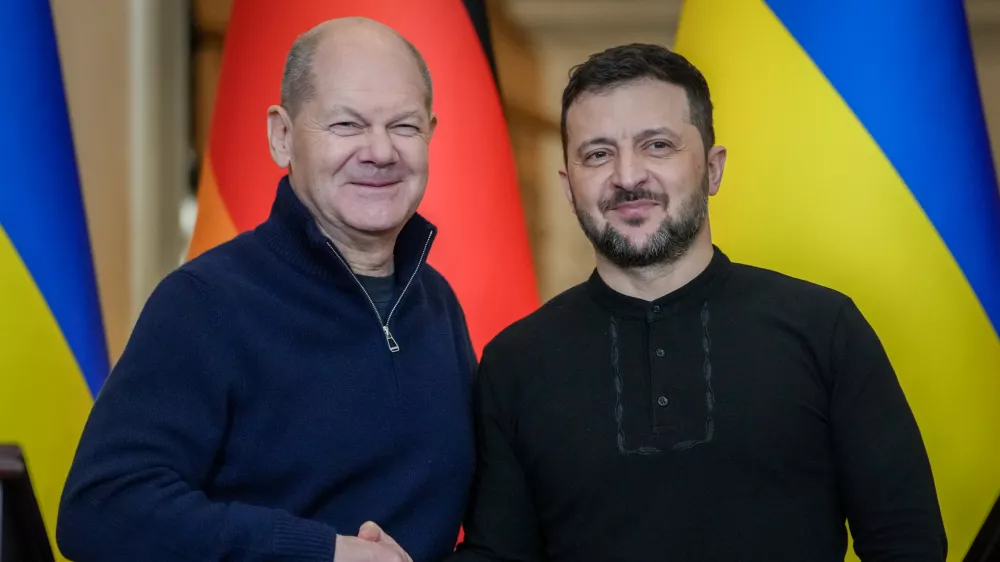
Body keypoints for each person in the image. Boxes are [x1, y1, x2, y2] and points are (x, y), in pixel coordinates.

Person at [444, 43, 947, 561]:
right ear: (569, 187)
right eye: (597, 154)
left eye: (657, 145)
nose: (628, 176)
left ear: (712, 168)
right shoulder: (515, 362)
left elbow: (906, 541)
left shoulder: (825, 329)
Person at [56, 17, 476, 562]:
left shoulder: (437, 303)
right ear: (282, 136)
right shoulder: (204, 302)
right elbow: (101, 509)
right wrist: (322, 552)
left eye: (404, 126)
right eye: (347, 125)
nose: (380, 151)